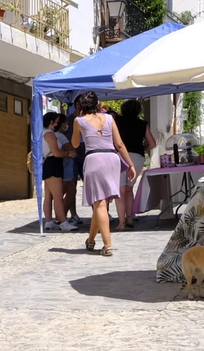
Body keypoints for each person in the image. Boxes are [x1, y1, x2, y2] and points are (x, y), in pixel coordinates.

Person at [69, 91, 136, 255]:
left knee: (99, 203)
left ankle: (107, 245)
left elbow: (75, 143)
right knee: (101, 203)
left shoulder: (79, 120)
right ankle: (91, 240)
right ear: (97, 103)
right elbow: (119, 144)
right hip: (112, 158)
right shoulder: (110, 118)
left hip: (94, 158)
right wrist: (130, 165)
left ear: (81, 106)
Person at [114, 98, 156, 229]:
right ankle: (129, 217)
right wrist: (142, 149)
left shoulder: (117, 122)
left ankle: (121, 222)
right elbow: (153, 143)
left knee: (120, 190)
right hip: (137, 157)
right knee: (129, 188)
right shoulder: (143, 124)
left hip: (120, 156)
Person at [40, 111, 78, 231]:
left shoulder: (43, 133)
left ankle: (49, 221)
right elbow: (56, 153)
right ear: (51, 122)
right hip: (53, 164)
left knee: (48, 195)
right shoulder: (50, 135)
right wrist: (67, 153)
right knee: (58, 196)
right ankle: (63, 221)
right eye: (56, 122)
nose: (57, 124)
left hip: (48, 164)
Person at [59, 114, 80, 220]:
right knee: (65, 191)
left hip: (66, 164)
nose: (67, 125)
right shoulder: (60, 136)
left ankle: (63, 215)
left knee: (70, 191)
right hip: (65, 165)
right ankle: (61, 216)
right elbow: (72, 148)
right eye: (66, 123)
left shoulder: (57, 135)